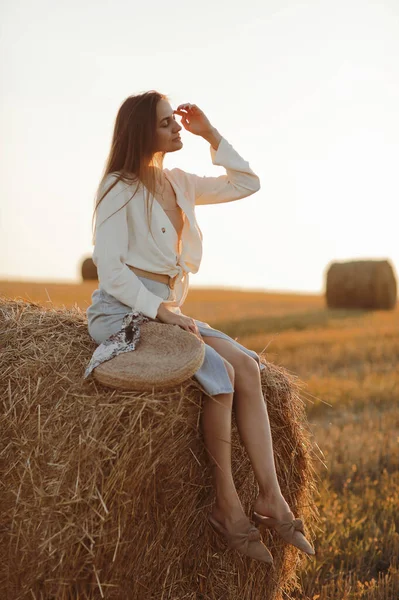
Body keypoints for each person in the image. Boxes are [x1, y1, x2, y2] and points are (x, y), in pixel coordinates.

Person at [86, 90, 315, 564]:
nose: (176, 127)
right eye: (166, 122)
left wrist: (210, 133)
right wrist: (165, 314)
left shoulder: (181, 183)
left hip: (167, 311)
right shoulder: (117, 187)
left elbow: (247, 182)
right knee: (219, 374)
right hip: (124, 312)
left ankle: (271, 498)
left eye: (177, 120)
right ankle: (226, 507)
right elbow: (110, 272)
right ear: (141, 132)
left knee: (248, 368)